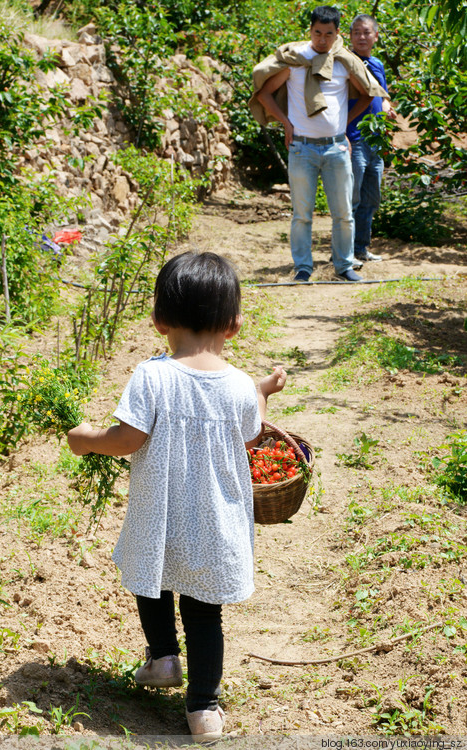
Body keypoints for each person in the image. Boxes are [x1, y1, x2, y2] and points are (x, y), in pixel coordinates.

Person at [67, 252, 286, 743]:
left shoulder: (152, 374)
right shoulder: (238, 385)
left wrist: (85, 438)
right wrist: (264, 391)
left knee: (153, 583)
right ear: (234, 325)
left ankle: (163, 656)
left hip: (161, 513)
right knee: (206, 612)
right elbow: (252, 433)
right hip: (216, 521)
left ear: (159, 319)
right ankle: (204, 710)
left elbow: (127, 440)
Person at [250, 5, 389, 283]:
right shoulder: (295, 62)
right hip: (302, 148)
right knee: (302, 214)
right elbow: (264, 94)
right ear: (310, 31)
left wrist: (344, 122)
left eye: (328, 34)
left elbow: (366, 94)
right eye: (317, 33)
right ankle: (303, 267)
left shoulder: (344, 62)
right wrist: (286, 123)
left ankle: (343, 265)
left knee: (344, 213)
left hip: (336, 147)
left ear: (337, 33)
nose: (322, 39)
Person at [347, 14, 396, 265]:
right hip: (354, 138)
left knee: (370, 199)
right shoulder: (344, 63)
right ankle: (345, 253)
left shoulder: (376, 64)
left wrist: (387, 108)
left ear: (376, 36)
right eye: (356, 32)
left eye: (366, 32)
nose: (361, 37)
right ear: (350, 36)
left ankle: (361, 249)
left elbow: (383, 96)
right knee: (352, 199)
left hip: (376, 141)